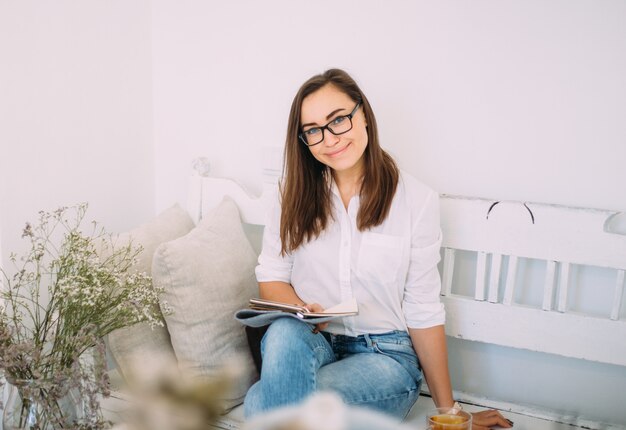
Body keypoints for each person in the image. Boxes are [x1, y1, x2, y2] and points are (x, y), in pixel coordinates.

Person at [244, 68, 512, 429]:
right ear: (303, 139)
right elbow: (272, 279)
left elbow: (423, 309)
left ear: (363, 115)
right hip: (313, 342)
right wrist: (301, 308)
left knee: (263, 403)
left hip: (385, 356)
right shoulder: (289, 195)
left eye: (338, 120)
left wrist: (448, 413)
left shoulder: (416, 201)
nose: (329, 138)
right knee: (282, 331)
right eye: (313, 130)